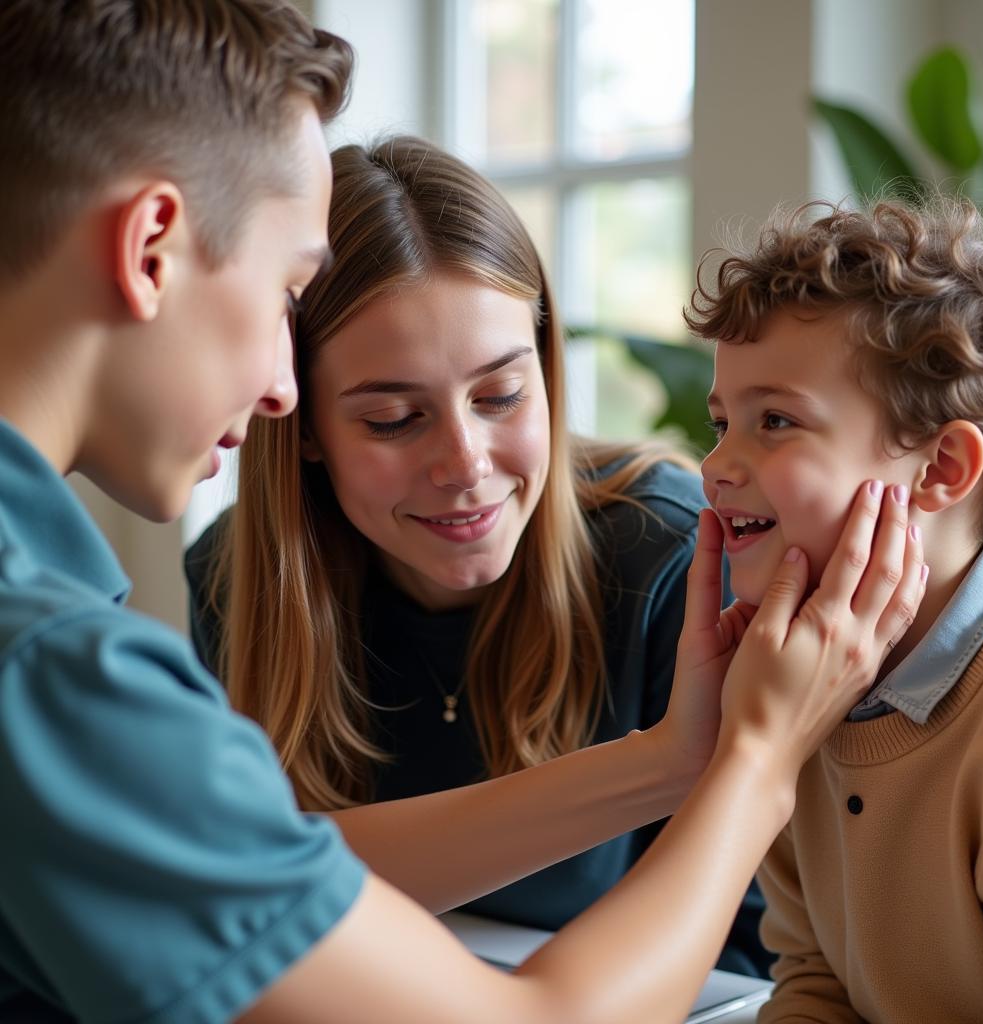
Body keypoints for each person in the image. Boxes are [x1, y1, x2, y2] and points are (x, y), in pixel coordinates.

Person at [0, 2, 924, 1022]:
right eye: (283, 291)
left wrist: (675, 761)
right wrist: (756, 758)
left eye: (498, 392)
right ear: (151, 247)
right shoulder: (51, 669)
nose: (278, 385)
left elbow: (269, 863)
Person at [185, 134, 770, 973]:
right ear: (303, 424)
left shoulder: (671, 556)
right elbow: (239, 895)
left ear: (548, 371)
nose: (465, 465)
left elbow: (753, 950)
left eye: (500, 395)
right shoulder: (236, 581)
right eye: (393, 418)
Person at [686, 197, 983, 1023]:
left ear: (941, 467)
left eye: (775, 421)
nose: (717, 465)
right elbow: (814, 980)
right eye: (722, 421)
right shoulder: (800, 686)